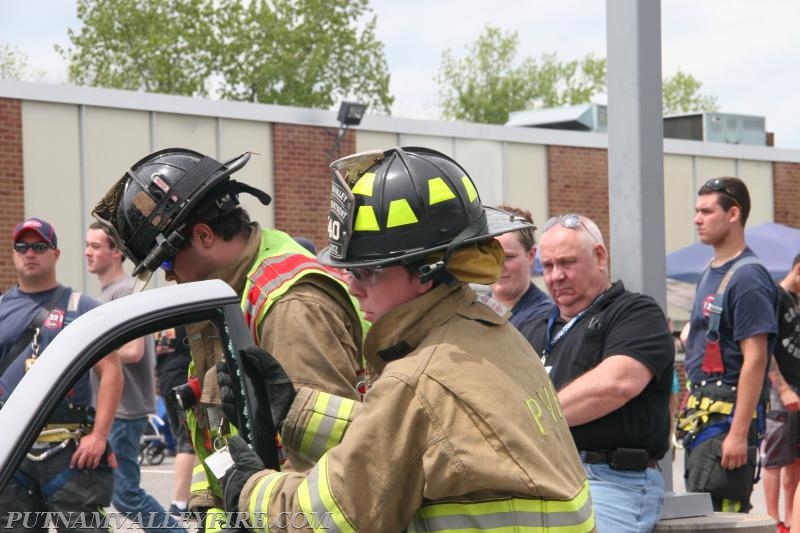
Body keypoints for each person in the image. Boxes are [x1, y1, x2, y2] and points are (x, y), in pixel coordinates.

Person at [214, 146, 594, 532]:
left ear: (426, 271)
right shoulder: (484, 334)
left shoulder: (418, 377)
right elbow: (409, 436)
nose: (353, 287)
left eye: (368, 272)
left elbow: (331, 518)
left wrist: (249, 488)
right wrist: (295, 408)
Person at [92, 148, 367, 527]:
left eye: (167, 261)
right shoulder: (224, 297)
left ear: (203, 235)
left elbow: (331, 467)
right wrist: (210, 506)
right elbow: (221, 431)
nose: (168, 276)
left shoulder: (289, 305)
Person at [517, 213, 674, 533]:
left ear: (600, 257)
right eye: (547, 267)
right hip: (541, 477)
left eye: (567, 263)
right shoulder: (532, 328)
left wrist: (523, 419)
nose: (555, 276)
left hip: (612, 481)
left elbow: (616, 384)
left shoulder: (636, 313)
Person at [0, 217, 123, 531]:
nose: (30, 253)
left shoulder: (81, 307)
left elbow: (111, 371)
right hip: (11, 452)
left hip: (70, 453)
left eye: (39, 246)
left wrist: (99, 436)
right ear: (13, 253)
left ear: (55, 253)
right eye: (22, 246)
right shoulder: (1, 308)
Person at [679, 177, 778, 513]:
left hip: (726, 421)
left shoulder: (748, 278)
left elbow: (755, 360)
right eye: (697, 210)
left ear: (733, 214)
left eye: (707, 211)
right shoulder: (710, 270)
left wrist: (737, 434)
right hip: (703, 417)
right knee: (702, 513)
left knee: (720, 517)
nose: (697, 219)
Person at [85, 221, 185, 532]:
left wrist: (86, 357)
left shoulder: (126, 291)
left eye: (96, 246)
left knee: (125, 494)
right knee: (94, 488)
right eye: (87, 245)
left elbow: (134, 350)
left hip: (125, 411)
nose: (88, 252)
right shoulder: (109, 293)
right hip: (112, 411)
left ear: (116, 252)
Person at [762, 253, 800, 532]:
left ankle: (791, 518)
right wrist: (783, 388)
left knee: (796, 458)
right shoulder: (776, 297)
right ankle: (773, 521)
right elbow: (765, 347)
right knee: (776, 456)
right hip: (781, 390)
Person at [154, 325, 196, 519]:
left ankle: (183, 500)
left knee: (182, 439)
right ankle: (180, 502)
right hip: (184, 380)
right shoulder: (185, 313)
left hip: (165, 380)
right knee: (188, 441)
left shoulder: (160, 318)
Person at [489, 204, 554, 327]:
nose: (499, 266)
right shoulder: (473, 310)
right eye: (491, 257)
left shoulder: (546, 319)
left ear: (531, 255)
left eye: (508, 257)